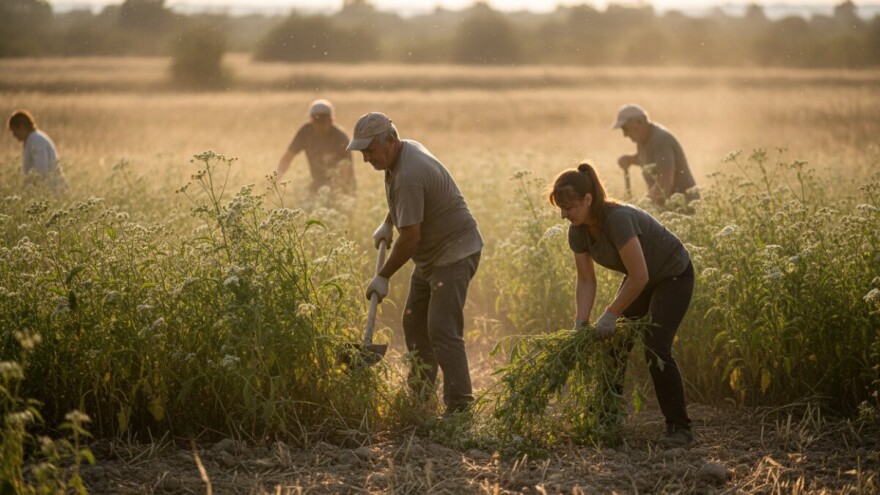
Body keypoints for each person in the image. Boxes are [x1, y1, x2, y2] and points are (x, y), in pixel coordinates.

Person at [549, 162, 695, 447]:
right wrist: (581, 322)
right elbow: (586, 280)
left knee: (656, 347)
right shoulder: (577, 231)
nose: (564, 215)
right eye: (561, 209)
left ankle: (680, 428)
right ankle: (607, 421)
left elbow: (640, 275)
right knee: (613, 346)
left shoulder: (618, 219)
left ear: (588, 199)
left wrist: (611, 313)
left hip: (673, 274)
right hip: (641, 278)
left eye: (569, 207)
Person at [347, 111, 483, 417]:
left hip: (454, 253)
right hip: (431, 255)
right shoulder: (402, 153)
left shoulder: (409, 173)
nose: (366, 158)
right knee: (414, 322)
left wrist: (383, 276)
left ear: (389, 140)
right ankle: (421, 398)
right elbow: (407, 203)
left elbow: (410, 239)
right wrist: (389, 221)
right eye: (362, 151)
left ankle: (460, 408)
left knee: (442, 329)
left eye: (369, 149)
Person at [613, 104, 699, 206]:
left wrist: (643, 205)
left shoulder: (660, 140)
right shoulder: (643, 139)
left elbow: (665, 181)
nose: (625, 135)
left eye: (625, 128)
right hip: (668, 205)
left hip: (684, 205)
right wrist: (630, 159)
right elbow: (650, 161)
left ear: (638, 122)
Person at [276, 99, 356, 195]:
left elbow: (344, 171)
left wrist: (333, 192)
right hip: (318, 185)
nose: (319, 124)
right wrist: (275, 181)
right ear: (311, 120)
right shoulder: (305, 132)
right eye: (316, 120)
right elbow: (288, 157)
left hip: (344, 189)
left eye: (323, 120)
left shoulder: (340, 138)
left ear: (331, 120)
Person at [7, 109, 68, 193]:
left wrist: (31, 191)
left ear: (21, 126)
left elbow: (41, 171)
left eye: (14, 131)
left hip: (52, 191)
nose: (14, 135)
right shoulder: (32, 139)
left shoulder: (36, 140)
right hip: (47, 191)